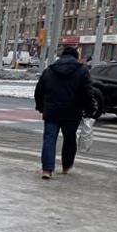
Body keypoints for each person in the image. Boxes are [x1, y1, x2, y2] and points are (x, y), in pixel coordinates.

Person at [34, 46, 93, 180]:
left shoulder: (50, 70)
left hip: (52, 111)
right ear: (75, 57)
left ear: (61, 56)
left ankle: (47, 170)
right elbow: (87, 92)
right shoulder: (82, 70)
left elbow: (39, 90)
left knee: (49, 139)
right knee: (69, 138)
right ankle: (66, 166)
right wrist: (89, 109)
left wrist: (40, 106)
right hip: (72, 112)